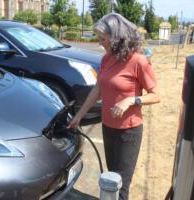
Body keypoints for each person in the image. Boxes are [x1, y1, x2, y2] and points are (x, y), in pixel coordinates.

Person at [68, 13, 160, 200]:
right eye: (98, 39)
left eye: (103, 39)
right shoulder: (106, 59)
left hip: (129, 132)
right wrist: (79, 115)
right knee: (110, 180)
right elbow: (97, 90)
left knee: (121, 185)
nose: (100, 43)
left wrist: (131, 100)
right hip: (108, 127)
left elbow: (157, 95)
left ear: (117, 37)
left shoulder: (138, 61)